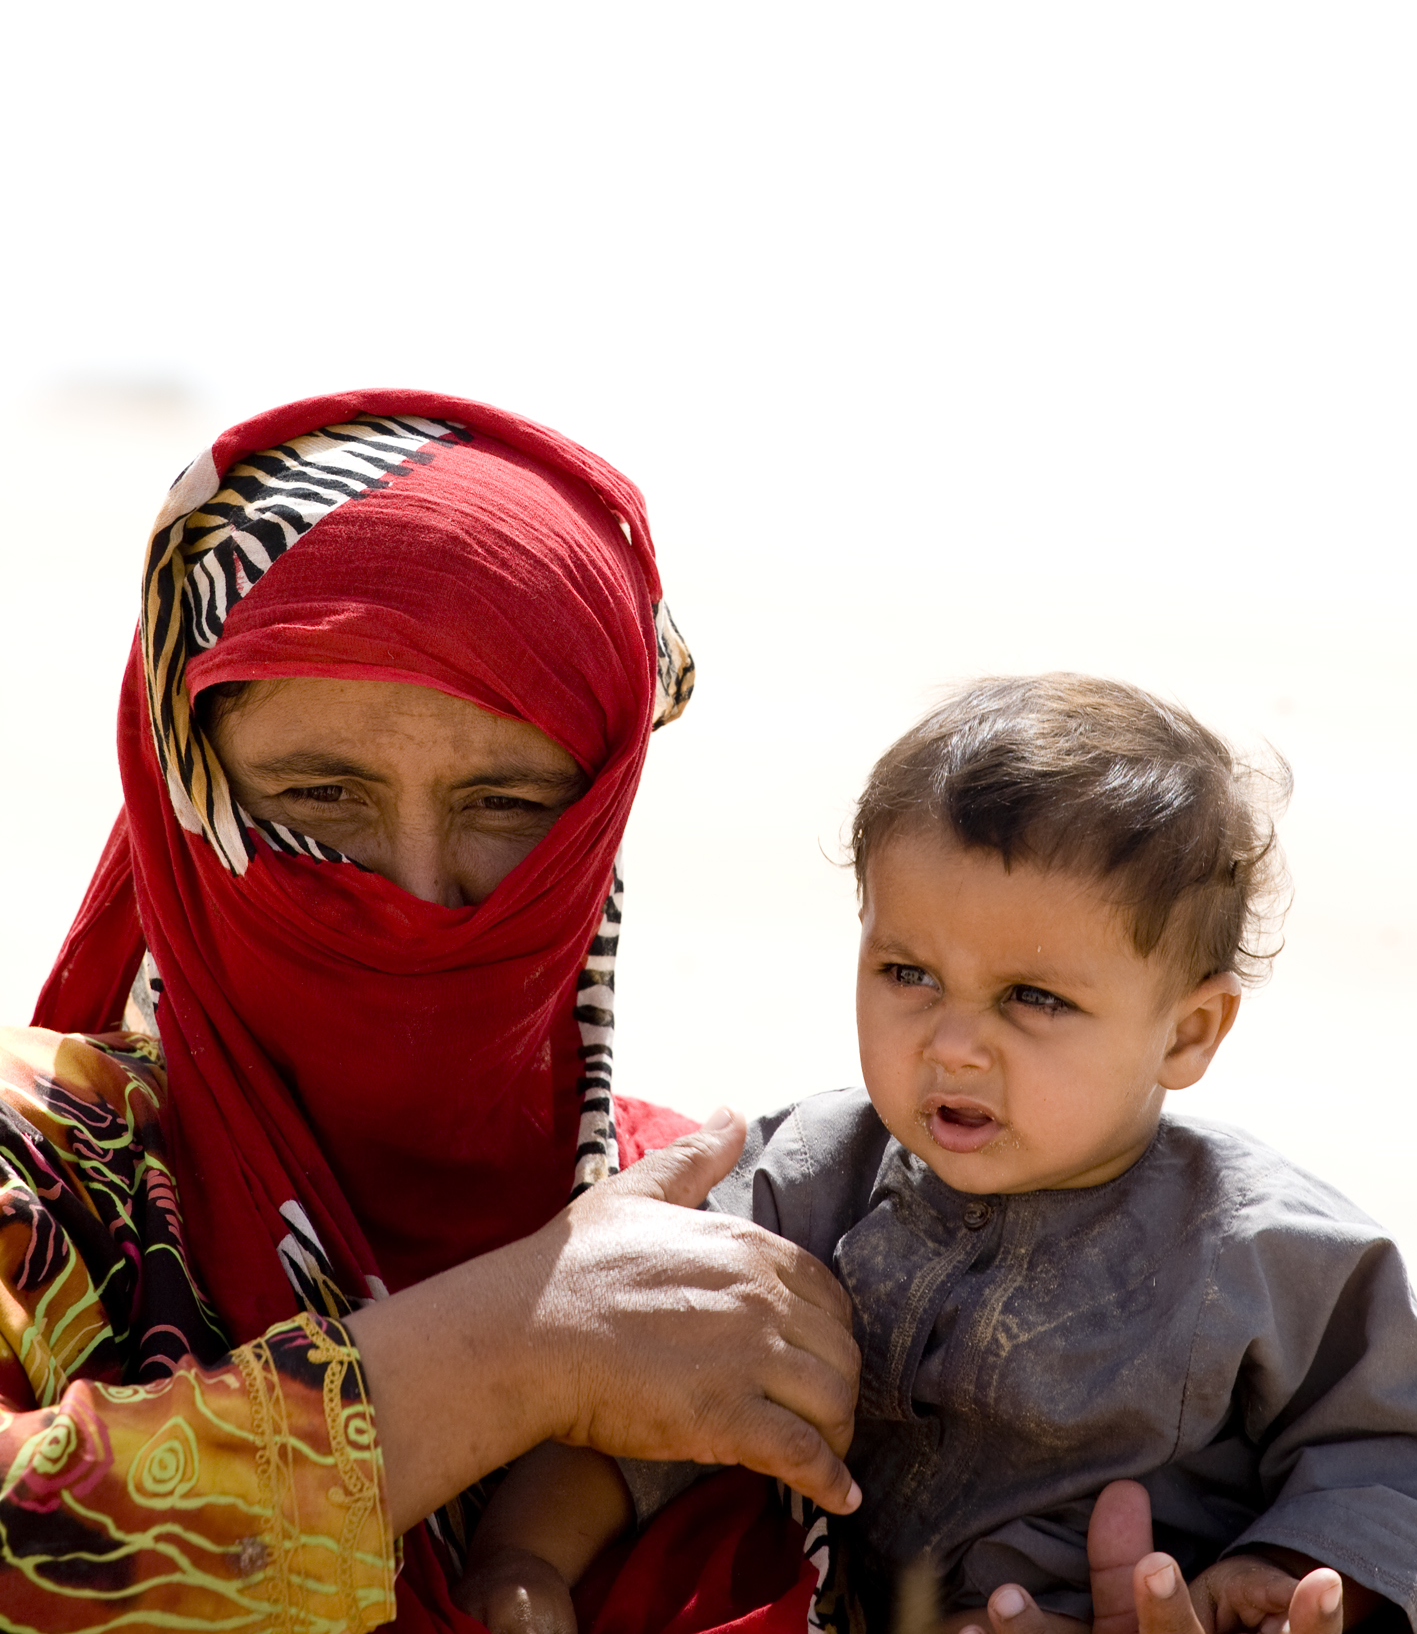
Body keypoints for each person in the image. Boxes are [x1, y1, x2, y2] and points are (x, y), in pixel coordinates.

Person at [0, 390, 863, 1630]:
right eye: (320, 795)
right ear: (187, 790)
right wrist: (520, 1347)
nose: (416, 892)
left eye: (507, 804)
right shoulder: (37, 1183)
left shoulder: (742, 1218)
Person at [462, 675, 1417, 1634]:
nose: (952, 1043)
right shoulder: (805, 1178)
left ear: (1186, 1033)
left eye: (1032, 998)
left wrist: (1280, 1567)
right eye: (907, 974)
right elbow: (638, 1373)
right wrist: (524, 1561)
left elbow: (1385, 1442)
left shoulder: (1264, 1255)